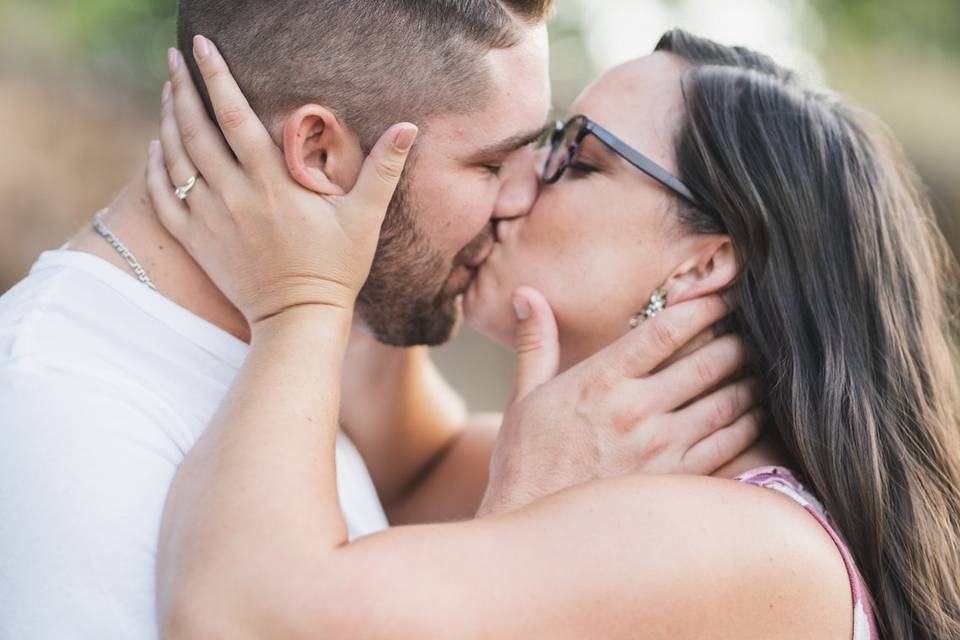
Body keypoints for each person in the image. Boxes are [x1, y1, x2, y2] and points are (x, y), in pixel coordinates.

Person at [150, 29, 960, 640]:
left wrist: (297, 306)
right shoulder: (623, 464)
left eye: (574, 155)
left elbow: (240, 615)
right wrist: (389, 198)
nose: (512, 183)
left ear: (701, 266)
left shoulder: (745, 543)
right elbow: (401, 461)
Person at [0, 3, 757, 637]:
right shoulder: (59, 411)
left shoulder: (294, 349)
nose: (517, 201)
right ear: (320, 154)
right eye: (491, 165)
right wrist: (512, 548)